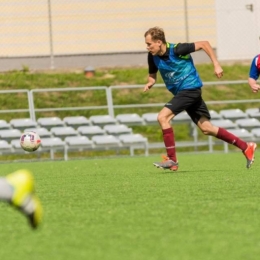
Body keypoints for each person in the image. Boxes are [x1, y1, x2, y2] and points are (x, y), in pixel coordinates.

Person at [143, 26, 257, 171]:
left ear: (159, 42)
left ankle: (172, 159)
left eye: (149, 44)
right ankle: (246, 146)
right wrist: (150, 82)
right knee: (206, 128)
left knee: (162, 117)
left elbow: (204, 44)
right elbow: (152, 75)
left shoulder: (178, 49)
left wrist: (216, 64)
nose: (147, 47)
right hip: (183, 93)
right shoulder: (152, 56)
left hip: (190, 89)